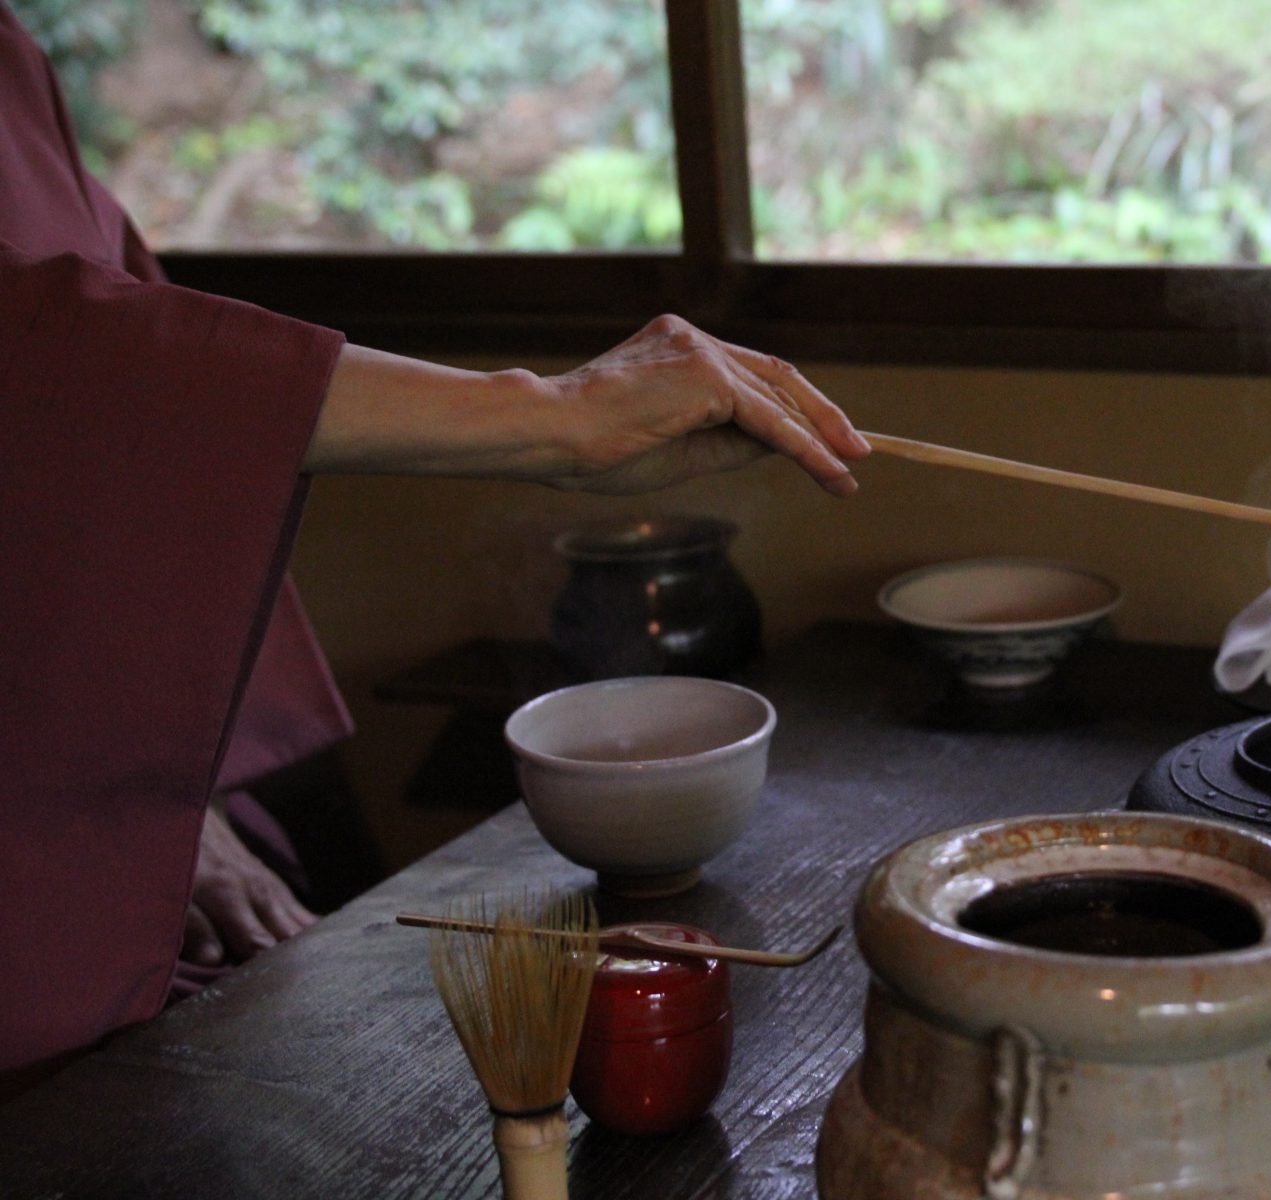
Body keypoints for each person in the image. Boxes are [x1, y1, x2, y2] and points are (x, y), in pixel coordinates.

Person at [0, 3, 869, 1089]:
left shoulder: (11, 58)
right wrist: (550, 415)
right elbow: (76, 371)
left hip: (95, 829)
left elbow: (121, 408)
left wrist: (176, 797)